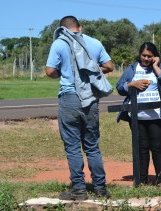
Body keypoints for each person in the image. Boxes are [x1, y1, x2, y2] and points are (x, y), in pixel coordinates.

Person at [45, 16, 114, 200]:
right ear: (80, 27)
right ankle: (100, 187)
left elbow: (50, 71)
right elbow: (109, 66)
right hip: (90, 98)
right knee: (92, 145)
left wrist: (64, 72)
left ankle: (79, 190)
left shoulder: (59, 43)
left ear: (62, 29)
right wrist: (91, 72)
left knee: (73, 146)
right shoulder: (94, 43)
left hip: (69, 99)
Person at [116, 42, 161, 187]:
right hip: (137, 117)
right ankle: (142, 180)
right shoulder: (132, 69)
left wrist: (156, 68)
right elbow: (119, 87)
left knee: (157, 148)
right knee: (141, 149)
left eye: (150, 56)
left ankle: (160, 181)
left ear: (155, 56)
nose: (146, 58)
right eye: (144, 55)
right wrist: (131, 85)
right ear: (140, 54)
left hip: (157, 116)